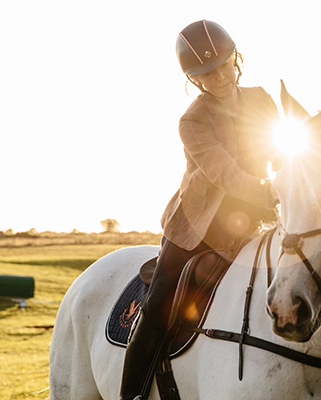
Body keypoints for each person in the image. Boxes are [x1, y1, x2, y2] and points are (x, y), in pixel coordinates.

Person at [119, 20, 279, 399]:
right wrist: (271, 190)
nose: (219, 76)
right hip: (198, 227)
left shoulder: (261, 99)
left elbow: (278, 152)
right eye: (206, 73)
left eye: (224, 65)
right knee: (158, 307)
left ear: (235, 58)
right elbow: (223, 173)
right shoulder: (192, 119)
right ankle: (132, 393)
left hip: (256, 219)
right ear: (194, 79)